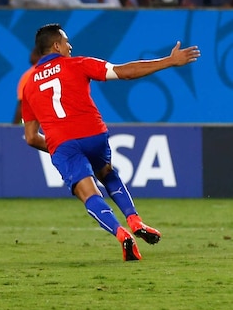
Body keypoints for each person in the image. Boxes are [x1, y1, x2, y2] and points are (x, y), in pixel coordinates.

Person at [21, 24, 200, 261]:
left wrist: (57, 145)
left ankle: (121, 234)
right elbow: (124, 72)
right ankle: (134, 219)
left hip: (63, 144)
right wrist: (168, 61)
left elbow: (31, 137)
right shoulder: (78, 63)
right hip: (93, 134)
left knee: (89, 193)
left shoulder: (29, 85)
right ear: (56, 45)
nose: (70, 46)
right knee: (106, 172)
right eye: (66, 42)